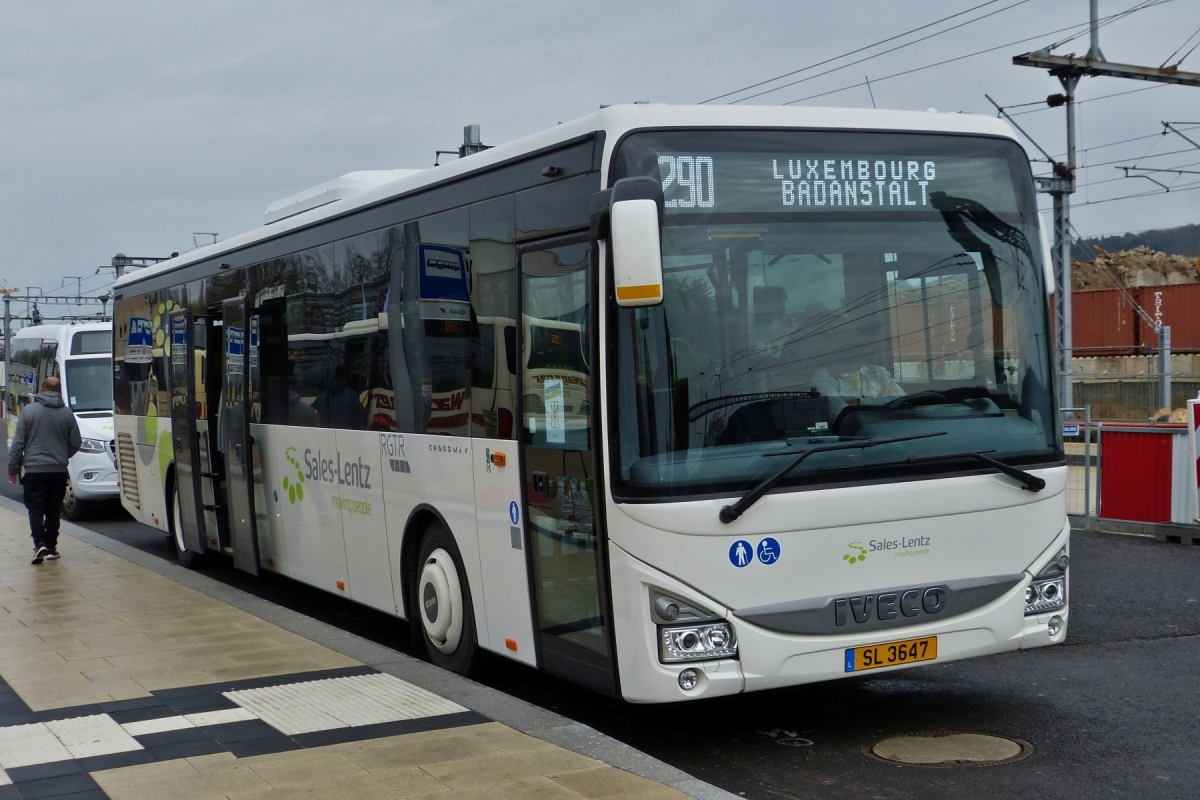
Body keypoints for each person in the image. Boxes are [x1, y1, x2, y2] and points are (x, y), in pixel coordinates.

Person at [8, 377, 82, 564]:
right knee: (52, 509)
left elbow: (18, 444)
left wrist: (13, 467)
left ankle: (39, 543)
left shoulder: (29, 412)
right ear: (59, 392)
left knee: (35, 508)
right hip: (57, 470)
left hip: (33, 470)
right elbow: (76, 443)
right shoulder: (67, 414)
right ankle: (51, 547)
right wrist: (62, 455)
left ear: (41, 390)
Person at [312, 365, 367, 430]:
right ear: (346, 378)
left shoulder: (322, 396)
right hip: (345, 436)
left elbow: (311, 414)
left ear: (334, 377)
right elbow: (360, 419)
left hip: (325, 436)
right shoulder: (351, 395)